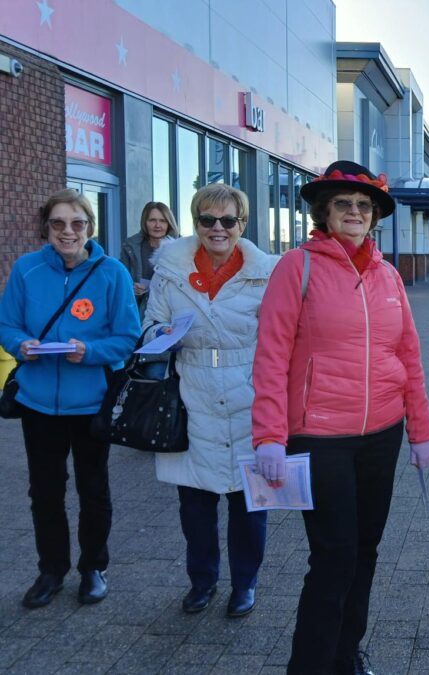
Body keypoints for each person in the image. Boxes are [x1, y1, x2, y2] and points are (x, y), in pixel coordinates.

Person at [251, 160, 429, 675]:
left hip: (383, 434)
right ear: (325, 213)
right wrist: (268, 434)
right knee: (334, 557)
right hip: (320, 437)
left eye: (363, 206)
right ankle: (309, 665)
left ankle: (345, 653)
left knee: (367, 551)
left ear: (374, 216)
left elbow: (410, 356)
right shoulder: (297, 266)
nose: (354, 213)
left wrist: (421, 431)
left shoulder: (389, 276)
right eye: (343, 205)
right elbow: (270, 355)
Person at [0, 188, 140, 608]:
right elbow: (6, 325)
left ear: (89, 228)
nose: (67, 231)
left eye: (77, 223)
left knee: (93, 489)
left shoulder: (111, 272)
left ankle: (93, 568)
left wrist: (90, 352)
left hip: (91, 402)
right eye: (58, 223)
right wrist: (22, 344)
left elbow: (128, 336)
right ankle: (51, 569)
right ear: (46, 228)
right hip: (39, 402)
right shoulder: (26, 270)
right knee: (45, 490)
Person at [143, 184, 277, 619]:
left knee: (248, 505)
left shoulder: (267, 273)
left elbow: (281, 338)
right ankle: (201, 581)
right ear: (196, 221)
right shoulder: (170, 270)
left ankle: (245, 583)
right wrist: (161, 337)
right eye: (207, 220)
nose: (217, 229)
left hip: (250, 393)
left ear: (243, 224)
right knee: (195, 507)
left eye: (227, 220)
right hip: (191, 394)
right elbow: (151, 326)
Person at [119, 202, 179, 315]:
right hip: (138, 312)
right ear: (144, 222)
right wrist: (132, 288)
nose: (157, 225)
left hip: (170, 312)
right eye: (152, 220)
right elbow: (121, 280)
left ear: (169, 224)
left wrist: (152, 288)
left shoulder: (180, 247)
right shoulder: (130, 247)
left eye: (163, 221)